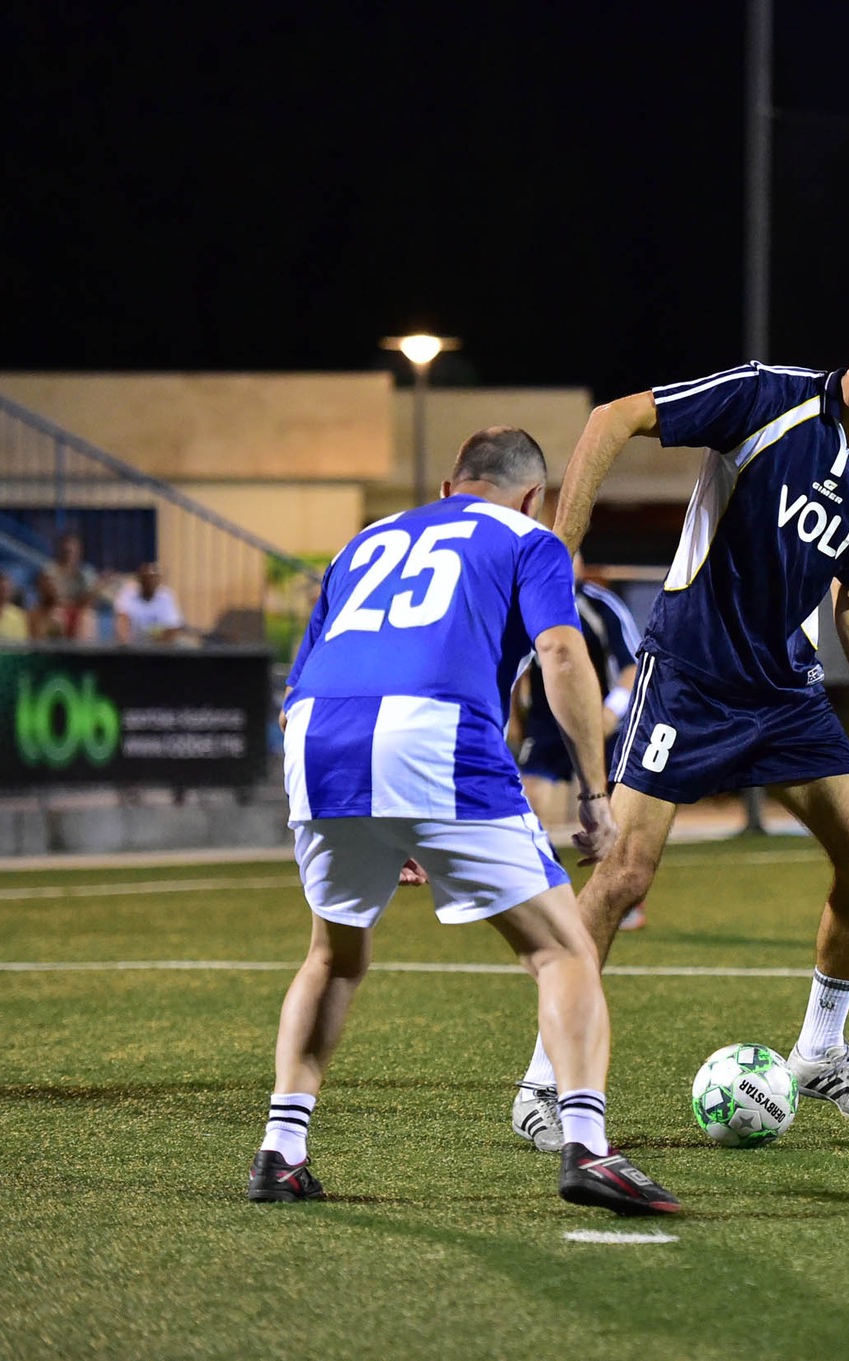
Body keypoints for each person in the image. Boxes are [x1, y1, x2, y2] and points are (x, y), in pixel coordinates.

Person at [510, 294, 849, 1153]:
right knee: (624, 874)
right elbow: (614, 419)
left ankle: (820, 1049)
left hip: (785, 688)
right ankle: (542, 1082)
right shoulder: (765, 397)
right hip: (693, 677)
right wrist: (564, 538)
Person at [250, 426, 679, 1216]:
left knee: (333, 955)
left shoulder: (365, 542)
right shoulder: (533, 540)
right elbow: (560, 652)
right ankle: (588, 1144)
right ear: (532, 497)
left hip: (319, 737)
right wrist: (593, 791)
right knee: (564, 949)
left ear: (448, 489)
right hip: (435, 733)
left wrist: (390, 824)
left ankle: (281, 1150)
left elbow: (295, 690)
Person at [516, 556, 652, 941]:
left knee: (611, 808)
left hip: (599, 720)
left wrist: (610, 714)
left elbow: (631, 665)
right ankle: (549, 899)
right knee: (529, 800)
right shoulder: (528, 602)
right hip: (547, 723)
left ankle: (621, 897)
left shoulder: (599, 604)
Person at [114, 562, 186, 644]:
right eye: (146, 578)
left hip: (160, 644)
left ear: (159, 580)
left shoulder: (166, 595)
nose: (150, 582)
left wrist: (154, 647)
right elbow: (122, 622)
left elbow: (173, 627)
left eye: (153, 578)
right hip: (133, 643)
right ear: (139, 580)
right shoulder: (127, 592)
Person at [49, 531, 101, 640]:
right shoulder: (51, 570)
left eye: (73, 549)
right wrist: (75, 602)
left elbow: (90, 601)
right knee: (56, 616)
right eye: (67, 550)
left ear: (79, 551)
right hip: (59, 610)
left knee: (88, 616)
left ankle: (85, 655)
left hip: (80, 611)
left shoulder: (87, 572)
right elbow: (53, 599)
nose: (70, 552)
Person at [26, 570, 67, 641]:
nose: (50, 589)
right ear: (39, 589)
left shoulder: (69, 614)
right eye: (47, 585)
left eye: (53, 584)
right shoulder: (31, 616)